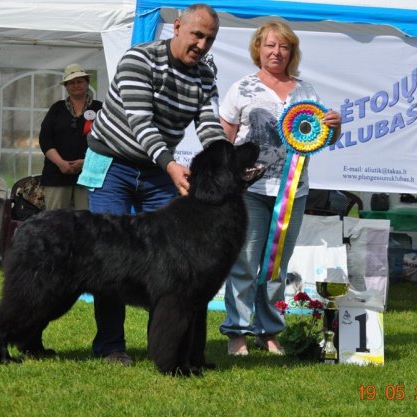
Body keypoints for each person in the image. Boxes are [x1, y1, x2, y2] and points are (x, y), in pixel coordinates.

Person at [77, 4, 226, 365]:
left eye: (209, 38)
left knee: (168, 263)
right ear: (177, 27)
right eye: (197, 34)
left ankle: (165, 346)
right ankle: (110, 346)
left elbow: (207, 125)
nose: (202, 44)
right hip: (112, 162)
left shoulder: (205, 75)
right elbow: (142, 123)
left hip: (157, 169)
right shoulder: (138, 60)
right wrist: (172, 166)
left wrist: (226, 162)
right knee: (111, 257)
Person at [217, 21, 342, 355]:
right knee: (243, 262)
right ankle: (237, 333)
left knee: (276, 267)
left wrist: (335, 127)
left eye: (283, 47)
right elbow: (223, 139)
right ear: (258, 48)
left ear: (292, 52)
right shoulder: (241, 88)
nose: (276, 52)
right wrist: (224, 181)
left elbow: (323, 138)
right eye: (270, 45)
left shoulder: (306, 91)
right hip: (250, 192)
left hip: (293, 192)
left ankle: (269, 330)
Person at [39, 63, 102, 210]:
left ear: (87, 82)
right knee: (55, 221)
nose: (76, 85)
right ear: (66, 87)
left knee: (87, 221)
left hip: (89, 173)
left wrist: (86, 163)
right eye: (71, 83)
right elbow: (45, 140)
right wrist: (61, 163)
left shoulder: (100, 109)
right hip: (57, 174)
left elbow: (108, 141)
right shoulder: (56, 108)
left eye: (79, 81)